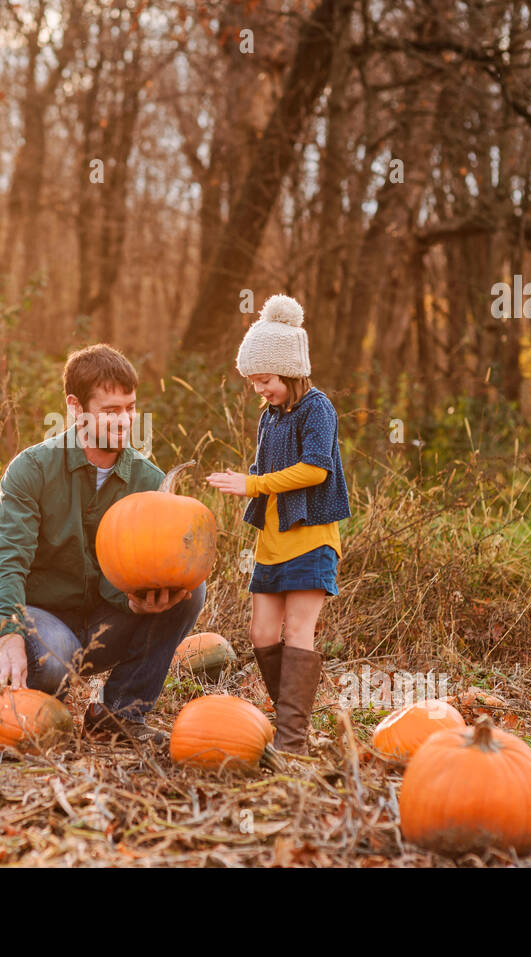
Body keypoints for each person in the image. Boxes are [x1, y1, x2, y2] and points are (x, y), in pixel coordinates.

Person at [0, 344, 206, 746]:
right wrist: (10, 634)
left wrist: (138, 602)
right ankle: (12, 673)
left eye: (131, 408)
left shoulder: (147, 482)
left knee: (189, 592)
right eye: (111, 411)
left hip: (103, 623)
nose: (125, 421)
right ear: (75, 406)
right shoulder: (32, 470)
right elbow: (6, 562)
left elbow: (145, 567)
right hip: (37, 617)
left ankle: (120, 714)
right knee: (54, 663)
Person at [206, 295, 350, 755]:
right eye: (252, 382)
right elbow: (264, 475)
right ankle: (290, 716)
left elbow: (316, 469)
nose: (259, 390)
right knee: (262, 635)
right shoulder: (269, 417)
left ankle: (292, 741)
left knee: (297, 631)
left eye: (265, 380)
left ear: (289, 370)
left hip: (311, 540)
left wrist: (253, 485)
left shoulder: (317, 409)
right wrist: (245, 483)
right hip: (273, 541)